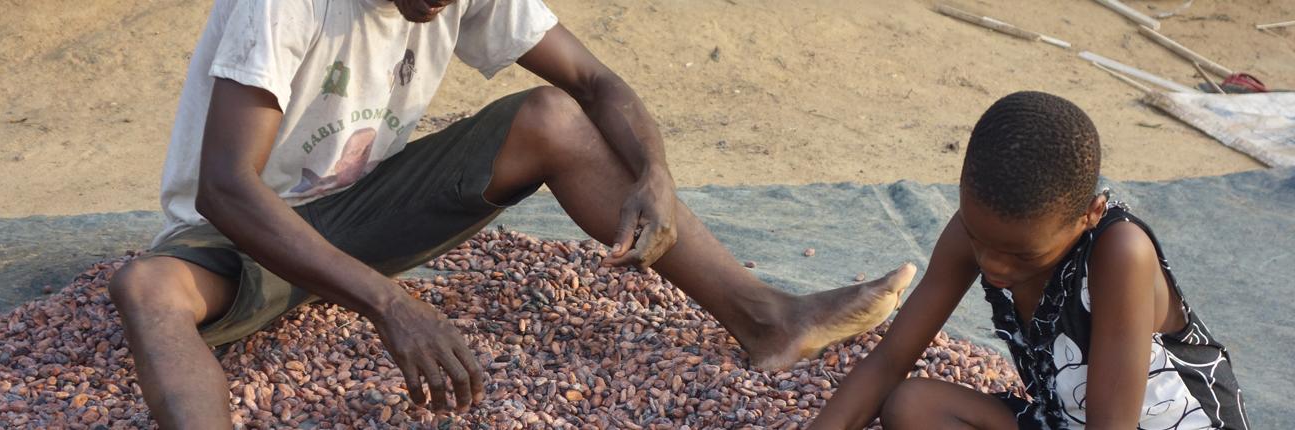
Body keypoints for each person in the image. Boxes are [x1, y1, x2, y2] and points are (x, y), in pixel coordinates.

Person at [106, 0, 916, 427]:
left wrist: (655, 172)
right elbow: (225, 187)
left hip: (362, 211)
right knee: (148, 292)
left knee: (555, 117)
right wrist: (392, 304)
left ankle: (767, 316)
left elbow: (597, 85)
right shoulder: (282, 3)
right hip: (242, 237)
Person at [806, 91, 1248, 430]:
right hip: (1066, 421)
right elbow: (890, 360)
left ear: (1089, 214)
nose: (994, 265)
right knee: (912, 406)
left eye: (1022, 255)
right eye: (979, 240)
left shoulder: (1120, 253)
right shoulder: (974, 232)